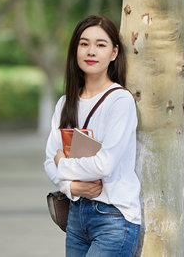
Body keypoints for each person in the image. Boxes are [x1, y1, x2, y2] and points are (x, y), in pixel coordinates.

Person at [44, 15, 141, 256]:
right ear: (75, 49)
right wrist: (72, 187)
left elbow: (104, 164)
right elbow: (48, 160)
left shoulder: (120, 101)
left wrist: (62, 163)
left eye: (101, 45)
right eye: (84, 44)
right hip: (76, 218)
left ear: (114, 53)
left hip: (114, 219)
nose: (91, 51)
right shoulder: (65, 103)